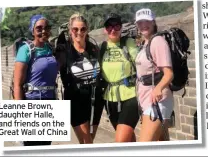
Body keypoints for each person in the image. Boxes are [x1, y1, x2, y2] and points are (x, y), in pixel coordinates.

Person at [55, 13, 104, 144]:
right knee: (86, 142)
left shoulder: (94, 48)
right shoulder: (63, 50)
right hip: (75, 101)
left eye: (82, 29)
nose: (79, 32)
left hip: (95, 102)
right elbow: (48, 68)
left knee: (89, 142)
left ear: (87, 29)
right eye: (75, 29)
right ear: (70, 30)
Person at [14, 14, 58, 146]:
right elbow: (17, 85)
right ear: (32, 31)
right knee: (31, 146)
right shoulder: (25, 50)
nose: (43, 31)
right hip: (32, 103)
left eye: (46, 28)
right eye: (39, 28)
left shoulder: (51, 49)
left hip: (50, 102)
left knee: (45, 145)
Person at [135, 8, 174, 141]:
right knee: (162, 143)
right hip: (147, 99)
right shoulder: (146, 43)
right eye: (140, 22)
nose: (143, 25)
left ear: (153, 22)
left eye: (147, 21)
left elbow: (169, 74)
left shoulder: (157, 41)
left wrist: (158, 88)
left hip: (158, 100)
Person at [100, 13, 139, 142]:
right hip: (109, 98)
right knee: (128, 139)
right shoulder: (102, 47)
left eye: (116, 26)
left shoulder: (128, 43)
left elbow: (140, 63)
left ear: (121, 27)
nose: (113, 30)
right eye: (109, 27)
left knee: (120, 141)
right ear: (105, 29)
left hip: (130, 95)